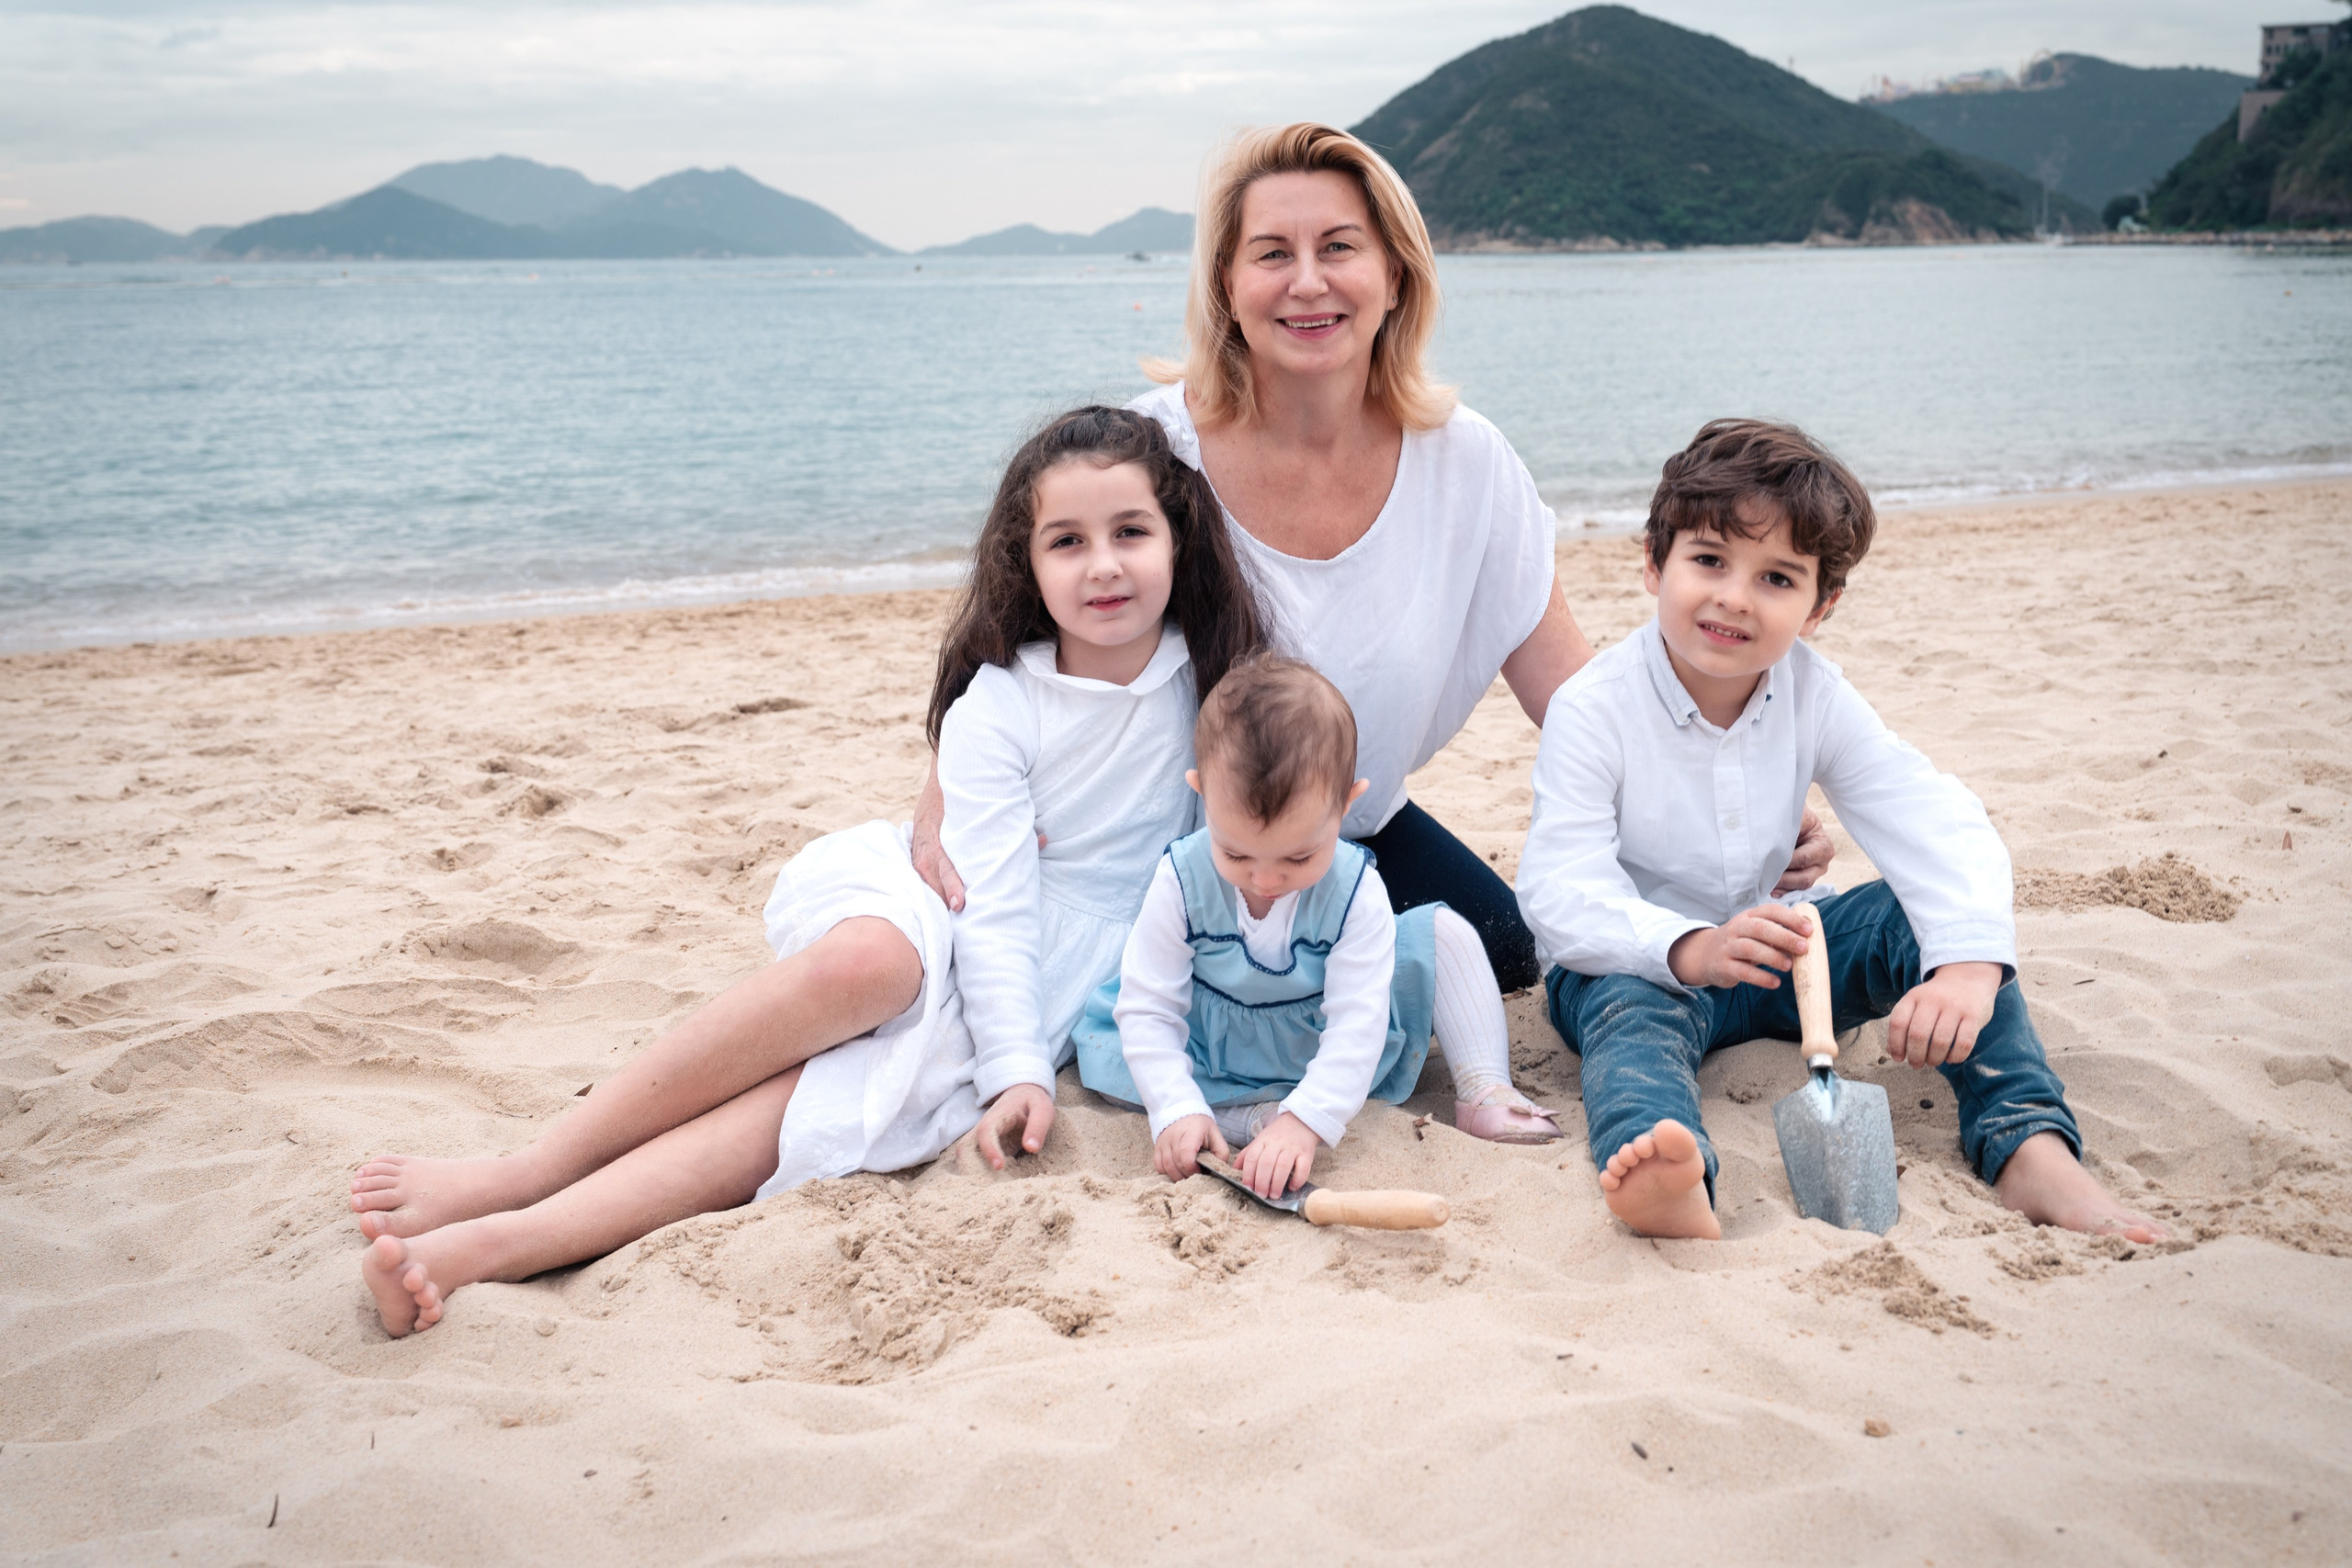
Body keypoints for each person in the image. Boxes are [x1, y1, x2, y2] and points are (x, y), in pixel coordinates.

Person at [350, 406, 1265, 1335]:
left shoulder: (1216, 687)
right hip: (953, 907)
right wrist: (1015, 1066)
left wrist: (1025, 1060)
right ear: (1023, 565)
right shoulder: (999, 702)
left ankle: (499, 1245)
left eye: (1130, 532)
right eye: (1066, 541)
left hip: (1066, 963)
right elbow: (986, 902)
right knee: (869, 967)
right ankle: (527, 1169)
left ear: (1176, 539)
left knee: (820, 1106)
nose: (1103, 564)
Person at [911, 123, 1835, 999]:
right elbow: (1010, 637)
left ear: (1393, 273)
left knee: (1507, 952)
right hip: (1146, 848)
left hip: (1345, 829)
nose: (1307, 282)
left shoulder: (1466, 464)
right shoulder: (1150, 453)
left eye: (1339, 248)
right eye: (1272, 253)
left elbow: (1574, 692)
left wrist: (1724, 783)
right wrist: (943, 790)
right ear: (1226, 282)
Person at [1516, 418, 2165, 1244]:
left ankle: (2028, 1147)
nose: (1734, 597)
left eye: (1777, 578)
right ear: (1653, 561)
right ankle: (1674, 1183)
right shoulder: (1593, 705)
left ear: (1821, 604)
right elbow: (1558, 886)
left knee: (1918, 915)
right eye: (1709, 559)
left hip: (1786, 957)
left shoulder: (1815, 691)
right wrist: (1692, 948)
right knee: (1630, 1027)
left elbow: (1925, 812)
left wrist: (1965, 966)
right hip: (1640, 963)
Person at [1073, 655, 1561, 1199]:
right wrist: (1175, 1107)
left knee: (1445, 934)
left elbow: (1357, 1022)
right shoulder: (1180, 878)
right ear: (1202, 794)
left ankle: (1486, 1088)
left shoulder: (1356, 890)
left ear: (1346, 804)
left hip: (1319, 1038)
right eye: (1235, 853)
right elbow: (1149, 1008)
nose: (1265, 880)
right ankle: (1246, 1119)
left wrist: (1307, 1120)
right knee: (1126, 1076)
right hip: (1214, 1047)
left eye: (1299, 858)